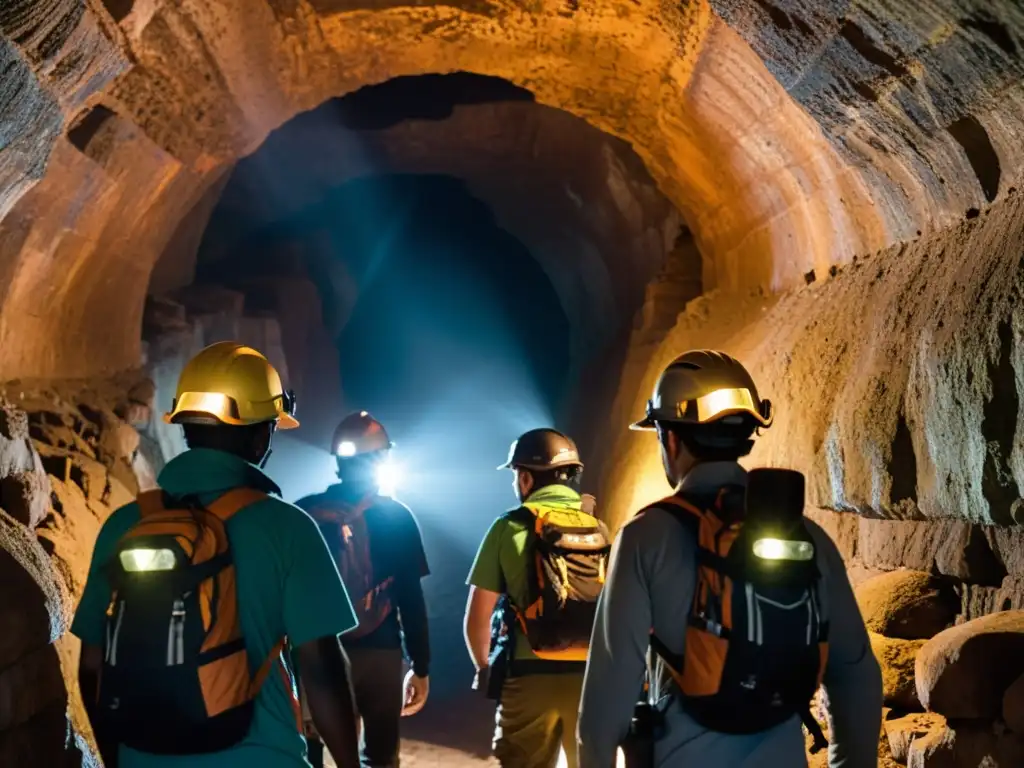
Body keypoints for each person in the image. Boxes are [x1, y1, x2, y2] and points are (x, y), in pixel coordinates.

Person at [577, 350, 883, 768]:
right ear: (746, 435)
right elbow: (857, 674)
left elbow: (605, 703)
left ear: (670, 438)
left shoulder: (645, 538)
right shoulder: (809, 538)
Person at [71, 341, 362, 768]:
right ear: (262, 432)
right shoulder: (288, 528)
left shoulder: (124, 525)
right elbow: (320, 665)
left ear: (185, 427)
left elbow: (94, 665)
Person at [465, 428, 608, 768]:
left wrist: (485, 668)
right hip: (590, 677)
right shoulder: (597, 527)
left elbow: (477, 619)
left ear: (526, 478)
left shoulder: (509, 526)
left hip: (528, 675)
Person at [296, 411, 431, 768]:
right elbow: (411, 600)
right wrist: (420, 665)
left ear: (339, 462)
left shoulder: (303, 514)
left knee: (309, 753)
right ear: (382, 459)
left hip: (315, 653)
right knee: (380, 756)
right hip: (380, 653)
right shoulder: (397, 518)